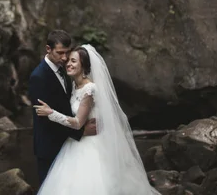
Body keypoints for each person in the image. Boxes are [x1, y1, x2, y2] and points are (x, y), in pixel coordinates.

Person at [34, 44, 160, 194]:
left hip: (90, 145)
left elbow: (77, 123)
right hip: (74, 143)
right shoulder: (75, 85)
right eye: (69, 61)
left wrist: (51, 113)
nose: (68, 64)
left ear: (84, 65)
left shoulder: (90, 89)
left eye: (74, 61)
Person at [28, 30, 97, 186]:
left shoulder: (66, 70)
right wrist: (80, 131)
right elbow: (44, 118)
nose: (65, 58)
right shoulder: (38, 77)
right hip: (49, 146)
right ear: (48, 49)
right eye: (60, 53)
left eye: (67, 53)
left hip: (69, 145)